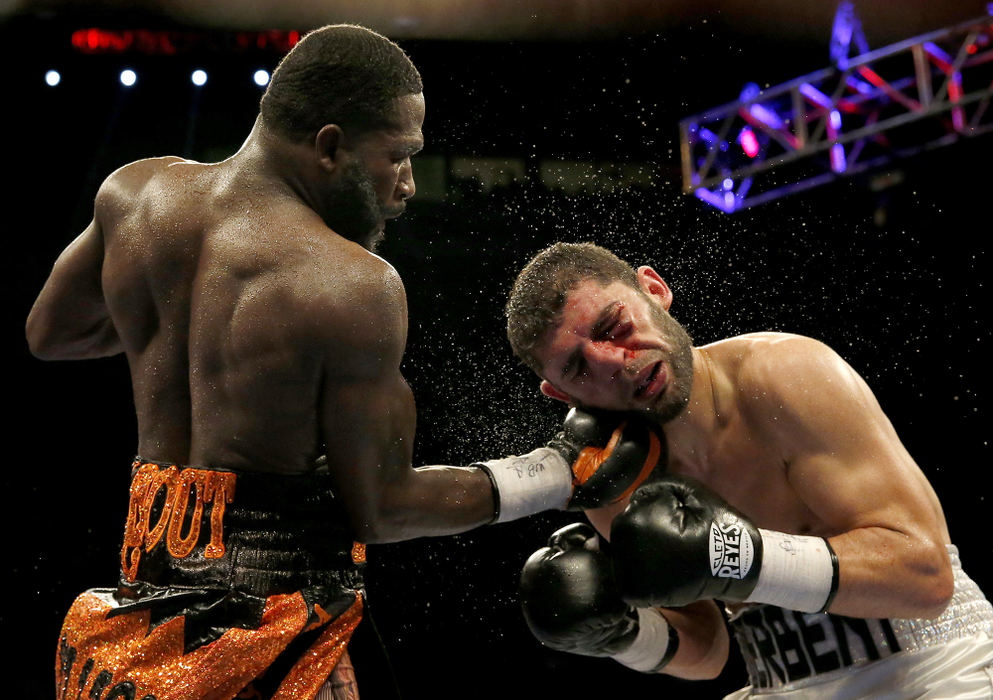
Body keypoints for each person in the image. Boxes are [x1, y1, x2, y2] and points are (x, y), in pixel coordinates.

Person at [26, 29, 664, 700]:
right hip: (277, 645)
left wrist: (184, 328)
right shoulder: (353, 284)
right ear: (329, 147)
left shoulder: (135, 195)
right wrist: (556, 471)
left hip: (137, 626)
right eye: (397, 156)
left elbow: (53, 333)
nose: (408, 184)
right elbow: (383, 510)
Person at [507, 241, 993, 698]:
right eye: (579, 368)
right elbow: (709, 653)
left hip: (935, 664)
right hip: (779, 681)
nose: (615, 361)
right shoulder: (610, 480)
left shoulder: (784, 373)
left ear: (653, 290)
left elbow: (926, 579)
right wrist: (628, 636)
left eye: (614, 326)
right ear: (563, 396)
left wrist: (740, 558)